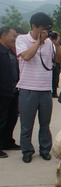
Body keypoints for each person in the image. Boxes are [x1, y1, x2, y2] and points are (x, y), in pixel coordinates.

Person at [16, 12, 61, 163]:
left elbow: (59, 59)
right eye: (41, 29)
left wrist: (56, 44)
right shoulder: (22, 39)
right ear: (33, 26)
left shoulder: (49, 42)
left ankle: (45, 149)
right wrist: (38, 41)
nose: (44, 33)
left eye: (46, 30)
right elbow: (27, 56)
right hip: (27, 89)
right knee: (26, 124)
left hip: (45, 90)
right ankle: (27, 151)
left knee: (45, 123)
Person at [0, 26, 20, 158]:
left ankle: (8, 141)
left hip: (13, 91)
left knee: (12, 118)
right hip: (2, 91)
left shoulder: (10, 51)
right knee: (1, 119)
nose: (15, 39)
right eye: (13, 36)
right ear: (3, 35)